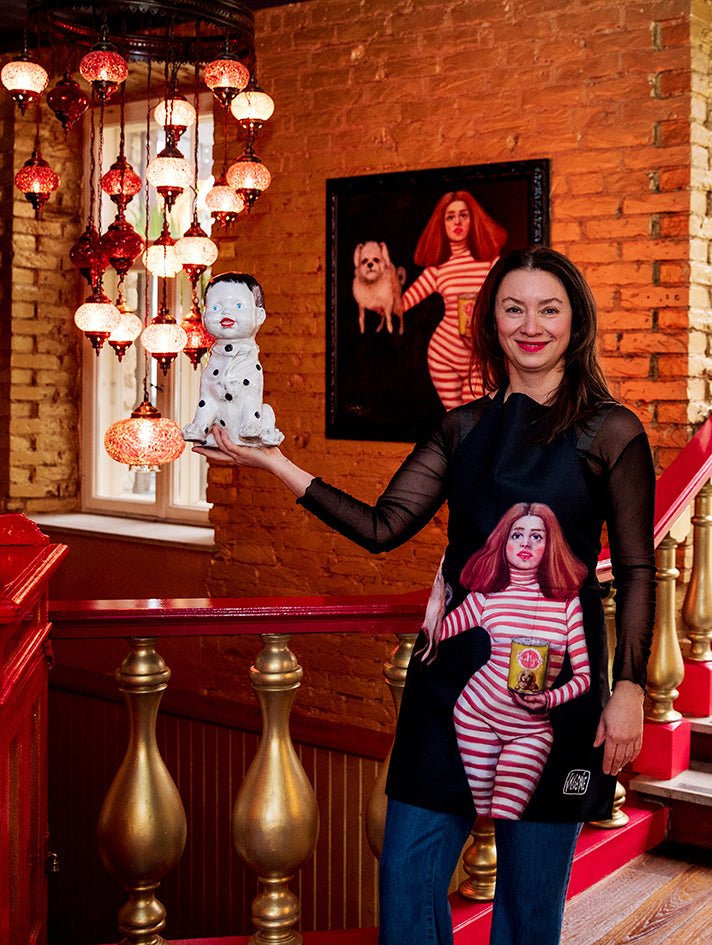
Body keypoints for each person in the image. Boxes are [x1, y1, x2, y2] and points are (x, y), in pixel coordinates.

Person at [193, 247, 656, 945]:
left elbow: (637, 567)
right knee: (407, 879)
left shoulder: (612, 432)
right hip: (448, 686)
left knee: (530, 908)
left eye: (549, 308)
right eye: (513, 307)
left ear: (575, 322)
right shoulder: (461, 427)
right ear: (490, 321)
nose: (530, 324)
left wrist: (630, 688)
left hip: (552, 693)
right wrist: (273, 461)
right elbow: (383, 527)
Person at [427, 502, 591, 820]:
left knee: (507, 811)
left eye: (536, 536)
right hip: (476, 715)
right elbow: (439, 634)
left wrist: (548, 698)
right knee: (484, 814)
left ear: (549, 544)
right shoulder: (487, 596)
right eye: (517, 535)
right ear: (504, 542)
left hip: (532, 730)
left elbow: (583, 675)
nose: (526, 544)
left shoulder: (568, 602)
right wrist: (436, 603)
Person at [401, 191, 507, 409]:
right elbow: (402, 304)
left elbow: (509, 302)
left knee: (477, 423)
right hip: (443, 355)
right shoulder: (438, 270)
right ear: (442, 224)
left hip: (480, 358)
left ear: (473, 220)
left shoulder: (491, 263)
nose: (457, 221)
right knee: (455, 424)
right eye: (450, 217)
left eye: (463, 215)